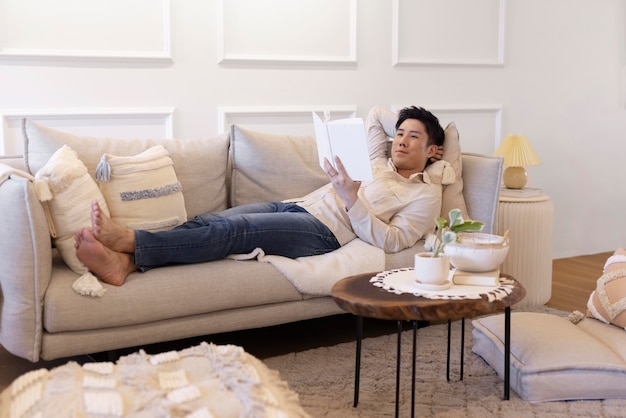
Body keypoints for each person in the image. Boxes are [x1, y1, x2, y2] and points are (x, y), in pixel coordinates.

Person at [74, 105, 450, 286]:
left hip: (323, 232)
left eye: (413, 137)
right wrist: (408, 121)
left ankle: (128, 241)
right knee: (213, 219)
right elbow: (375, 117)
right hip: (299, 206)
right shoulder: (378, 160)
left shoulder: (425, 195)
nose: (400, 139)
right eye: (399, 133)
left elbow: (396, 240)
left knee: (233, 232)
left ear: (433, 150)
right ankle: (126, 264)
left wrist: (353, 199)